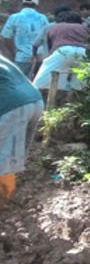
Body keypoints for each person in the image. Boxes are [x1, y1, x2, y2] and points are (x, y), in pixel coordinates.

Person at [0, 55, 44, 201]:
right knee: (9, 158)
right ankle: (8, 201)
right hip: (34, 100)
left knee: (4, 160)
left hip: (12, 106)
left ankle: (5, 204)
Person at [32, 12, 90, 94]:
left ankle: (49, 96)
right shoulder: (83, 28)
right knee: (79, 82)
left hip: (63, 51)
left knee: (41, 81)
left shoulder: (57, 26)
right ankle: (72, 99)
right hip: (82, 52)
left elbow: (50, 44)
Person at [1, 0, 49, 78]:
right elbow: (48, 35)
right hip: (40, 56)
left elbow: (6, 37)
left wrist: (13, 52)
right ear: (36, 6)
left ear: (22, 5)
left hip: (22, 57)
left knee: (20, 81)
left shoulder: (14, 17)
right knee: (37, 81)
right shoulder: (42, 18)